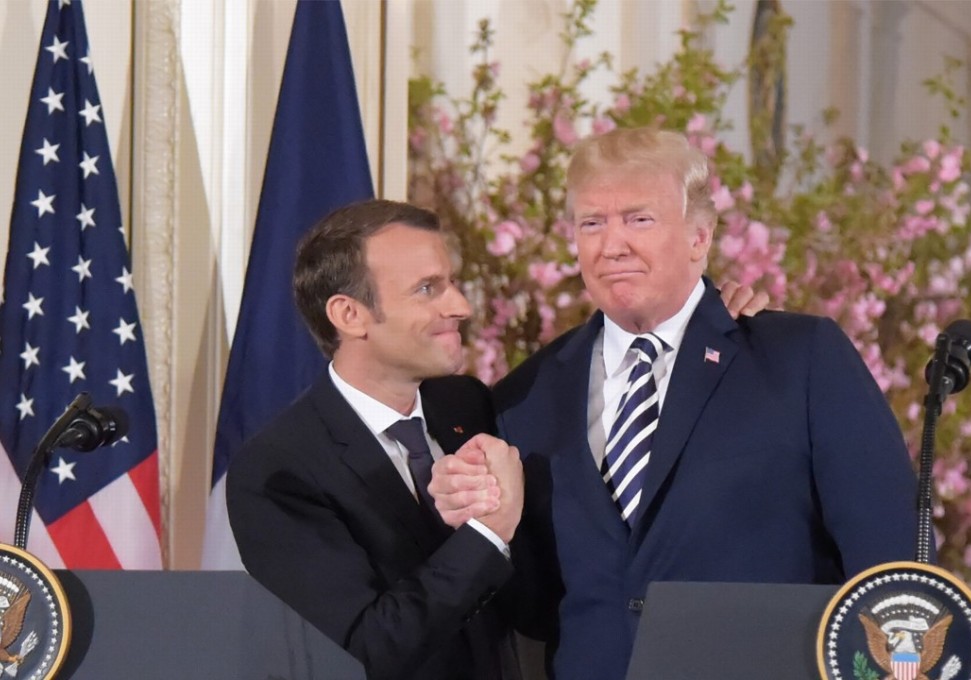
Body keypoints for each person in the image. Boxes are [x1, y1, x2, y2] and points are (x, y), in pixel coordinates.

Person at [431, 127, 919, 680]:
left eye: (639, 219)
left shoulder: (801, 360)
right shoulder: (526, 397)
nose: (612, 245)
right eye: (592, 223)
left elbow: (889, 562)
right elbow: (537, 609)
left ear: (699, 237)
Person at [226, 200, 525, 680]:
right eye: (427, 288)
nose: (461, 307)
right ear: (350, 314)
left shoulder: (466, 405)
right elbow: (365, 650)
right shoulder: (278, 471)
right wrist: (489, 531)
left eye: (451, 282)